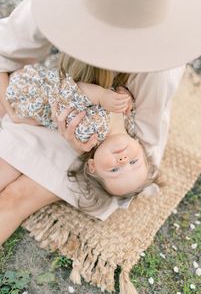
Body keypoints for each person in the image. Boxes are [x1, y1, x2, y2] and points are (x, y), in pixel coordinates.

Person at [0, 0, 201, 244]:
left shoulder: (159, 68)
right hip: (49, 105)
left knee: (15, 198)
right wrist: (9, 107)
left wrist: (83, 152)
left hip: (96, 153)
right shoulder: (65, 2)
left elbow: (145, 147)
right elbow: (4, 46)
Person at [3, 56, 160, 202]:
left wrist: (101, 96)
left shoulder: (89, 133)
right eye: (134, 161)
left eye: (114, 170)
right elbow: (118, 95)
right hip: (54, 68)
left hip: (29, 87)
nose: (123, 160)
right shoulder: (128, 125)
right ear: (140, 146)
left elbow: (68, 92)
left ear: (93, 166)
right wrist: (123, 94)